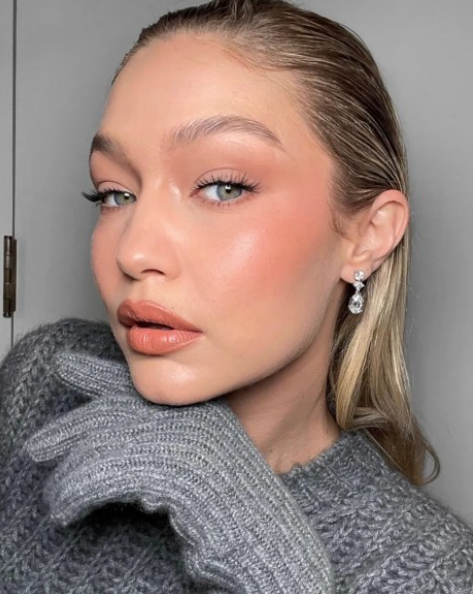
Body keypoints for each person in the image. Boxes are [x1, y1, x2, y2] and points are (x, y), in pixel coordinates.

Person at [1, 0, 472, 591]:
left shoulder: (434, 570)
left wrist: (262, 551)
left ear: (367, 236)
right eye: (115, 193)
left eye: (224, 186)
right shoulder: (48, 381)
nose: (134, 251)